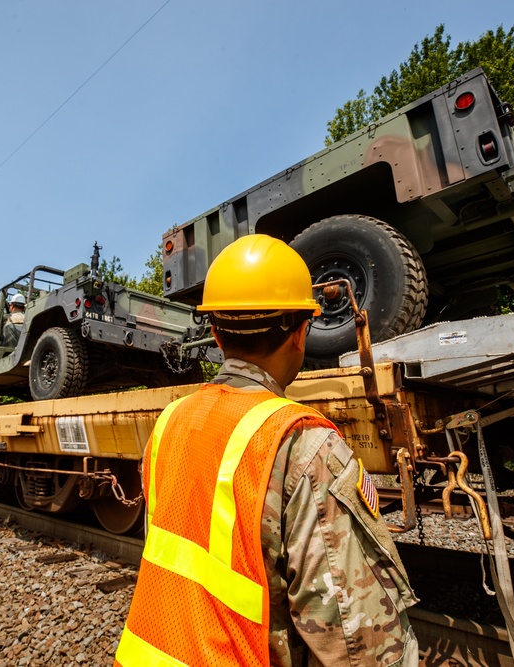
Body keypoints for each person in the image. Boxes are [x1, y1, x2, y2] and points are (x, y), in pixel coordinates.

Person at [114, 235, 418, 667]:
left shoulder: (169, 423)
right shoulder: (303, 446)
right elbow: (360, 646)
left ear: (216, 335)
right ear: (300, 333)